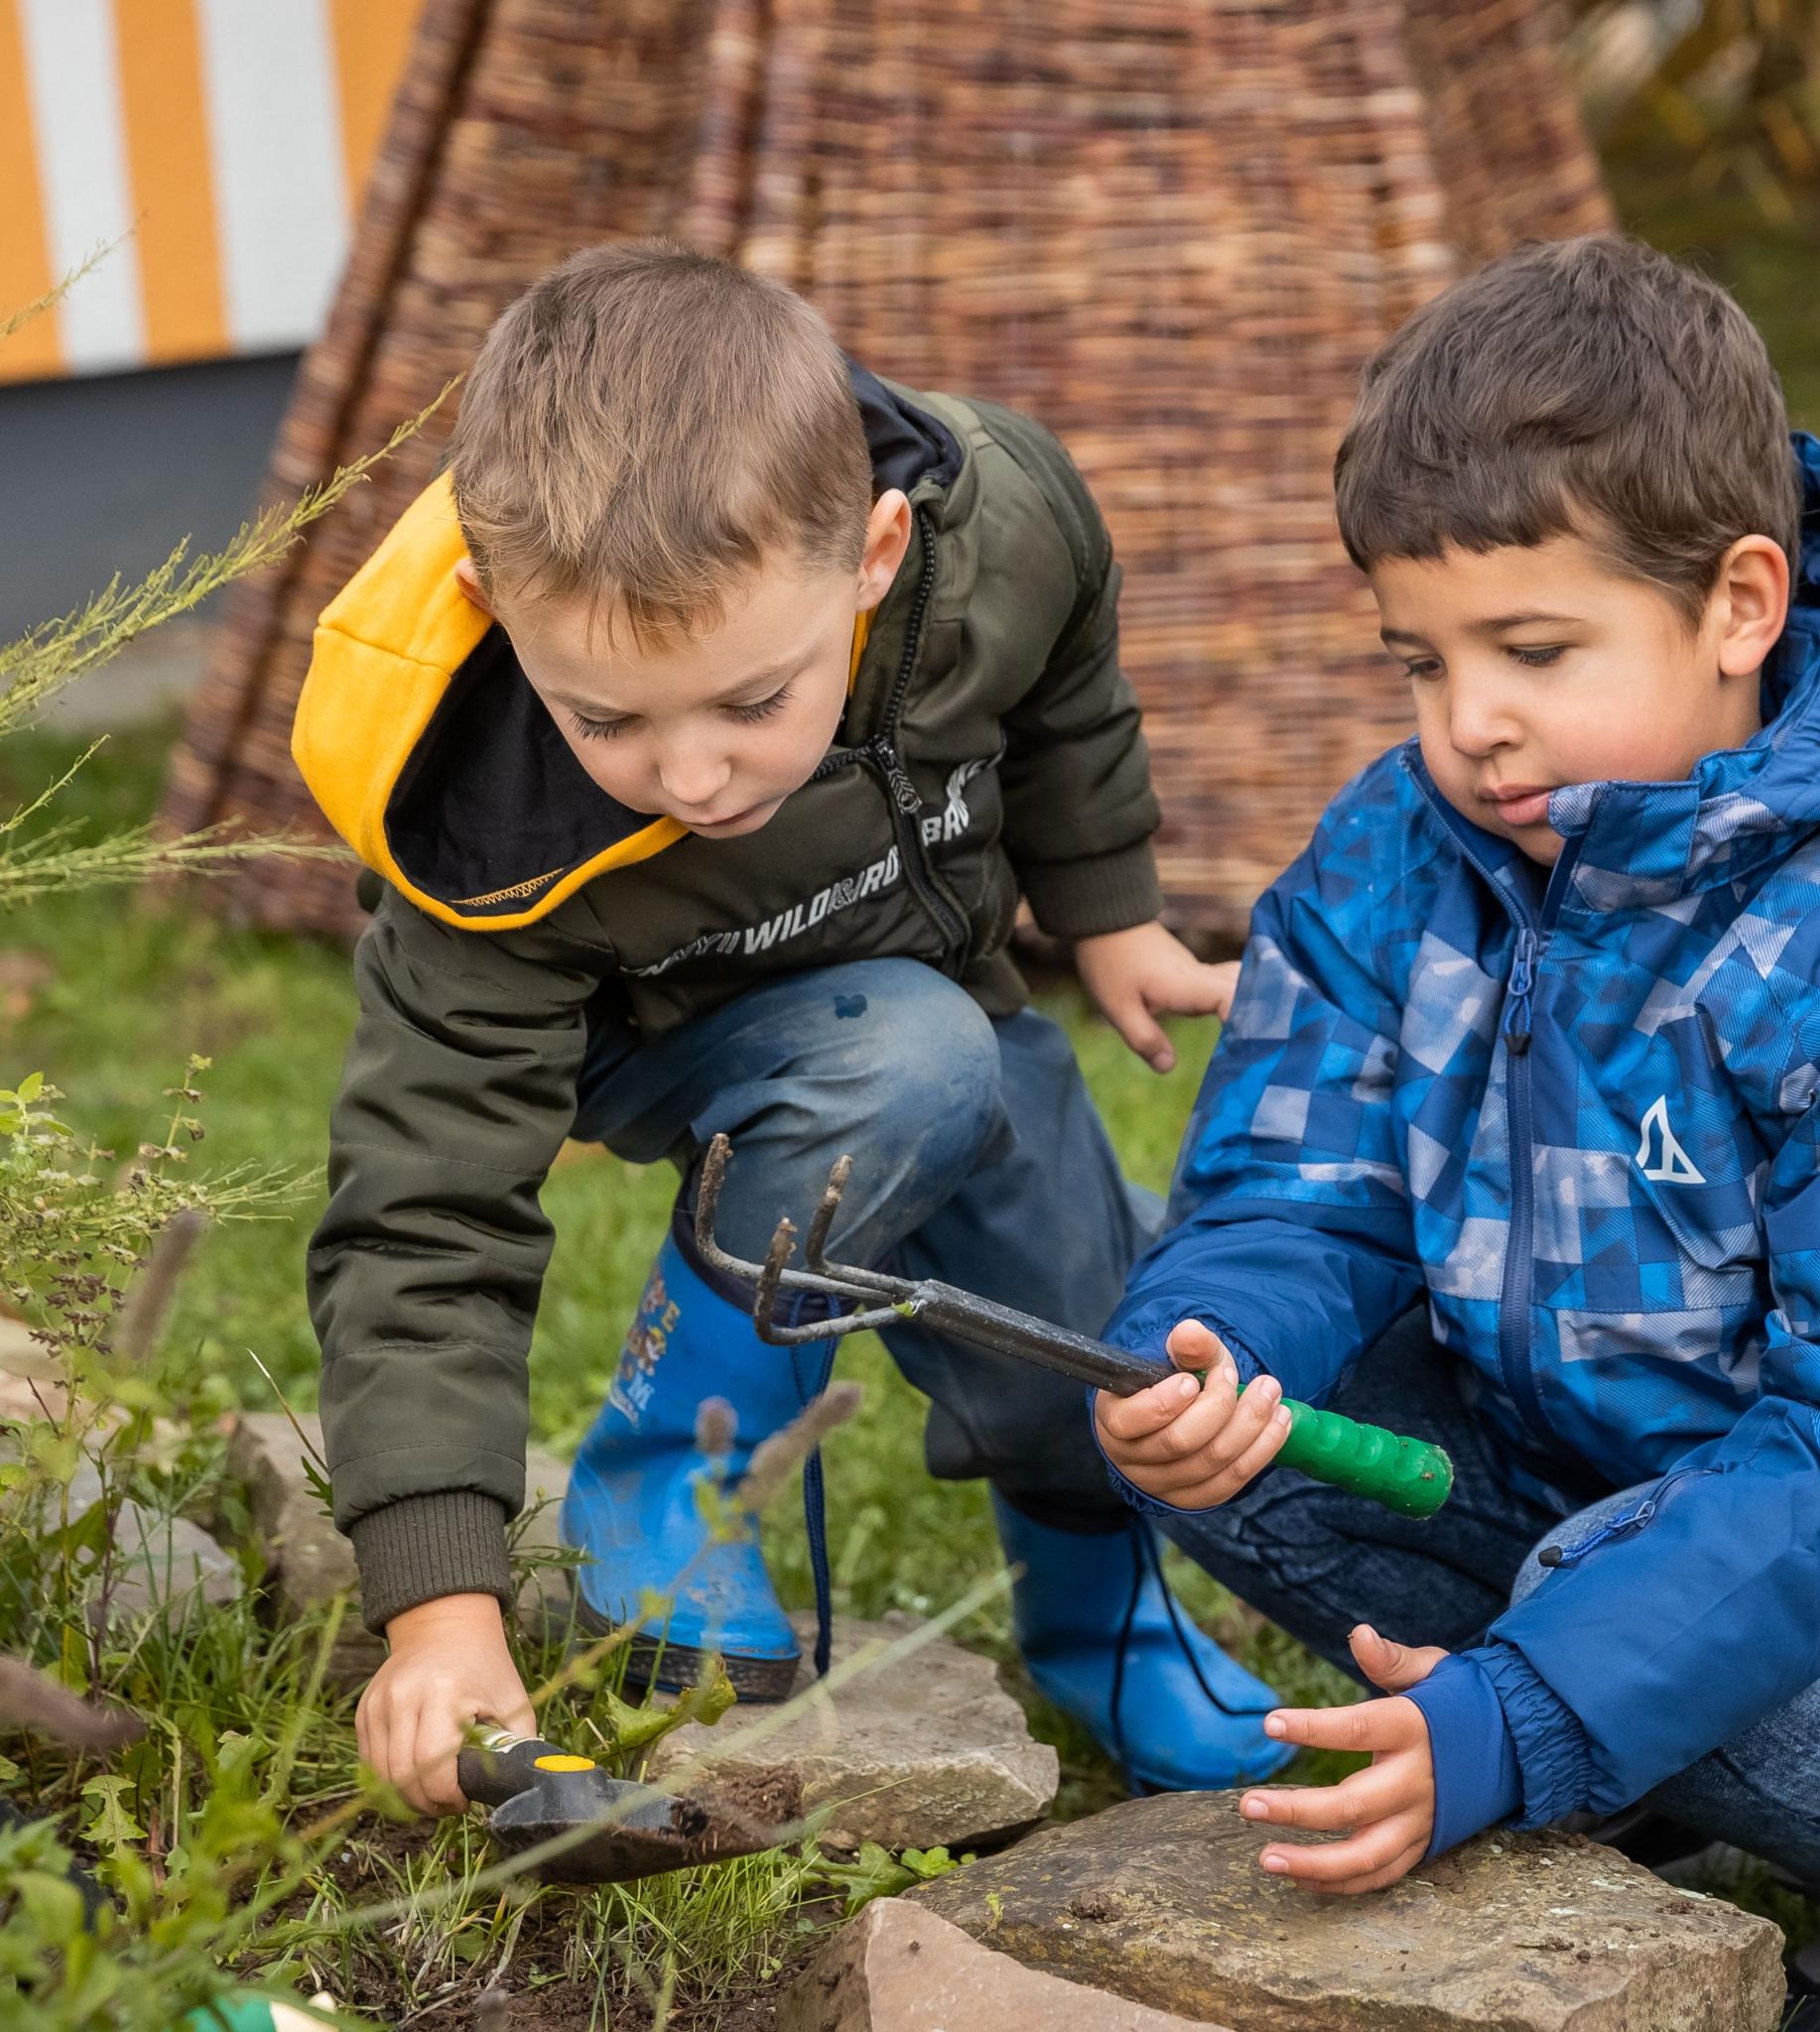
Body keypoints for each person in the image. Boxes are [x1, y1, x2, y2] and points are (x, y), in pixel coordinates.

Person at [1093, 233, 1820, 2029]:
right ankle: (1611, 1750)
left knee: (1611, 1599)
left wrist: (1528, 1700)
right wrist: (1225, 1339)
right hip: (1568, 1471)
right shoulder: (1394, 848)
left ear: (1739, 607)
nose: (1469, 726)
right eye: (1419, 662)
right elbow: (1295, 1179)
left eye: (1530, 649)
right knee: (1209, 1426)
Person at [294, 240, 1295, 1822]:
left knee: (1089, 1310)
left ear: (877, 554)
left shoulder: (997, 525)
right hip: (663, 1034)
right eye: (608, 719)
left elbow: (1069, 666)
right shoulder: (484, 841)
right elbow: (421, 1222)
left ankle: (1104, 1625)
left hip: (924, 989)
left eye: (749, 702)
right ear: (497, 612)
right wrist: (441, 1616)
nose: (690, 777)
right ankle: (665, 1484)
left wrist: (1105, 903)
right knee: (910, 1053)